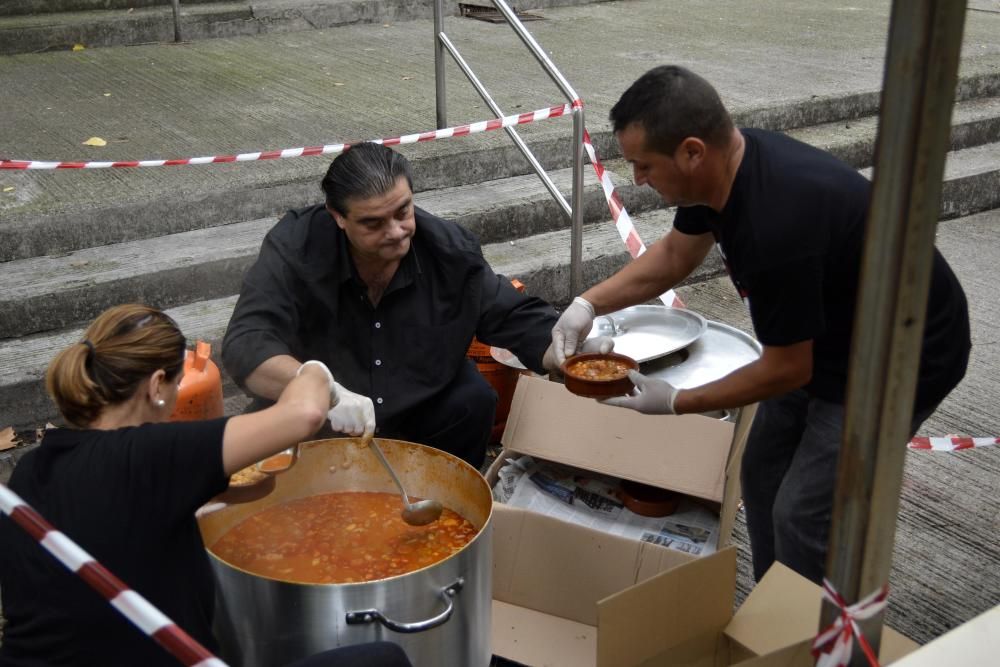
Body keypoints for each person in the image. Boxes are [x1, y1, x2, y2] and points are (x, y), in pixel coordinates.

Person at [551, 65, 971, 585]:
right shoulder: (724, 173)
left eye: (643, 165)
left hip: (901, 358)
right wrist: (587, 304)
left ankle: (812, 638)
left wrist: (676, 402)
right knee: (762, 469)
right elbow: (675, 255)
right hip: (832, 330)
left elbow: (787, 369)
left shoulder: (775, 226)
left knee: (804, 516)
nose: (636, 180)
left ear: (691, 152)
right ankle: (778, 604)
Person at [0, 304, 411, 667]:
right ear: (157, 385)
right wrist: (320, 375)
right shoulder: (148, 456)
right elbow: (302, 413)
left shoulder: (32, 471)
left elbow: (135, 515)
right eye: (177, 385)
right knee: (382, 659)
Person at [222, 142, 599, 469]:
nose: (396, 232)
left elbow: (509, 313)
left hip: (418, 410)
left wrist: (568, 352)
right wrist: (323, 389)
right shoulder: (296, 248)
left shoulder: (448, 251)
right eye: (372, 223)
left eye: (403, 211)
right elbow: (247, 344)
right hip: (320, 421)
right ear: (337, 216)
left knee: (474, 398)